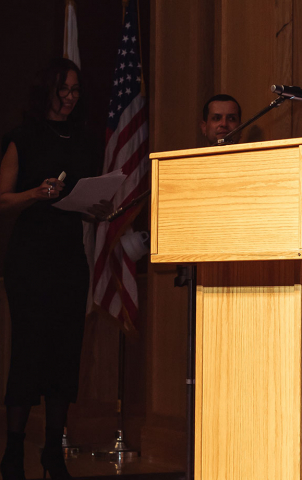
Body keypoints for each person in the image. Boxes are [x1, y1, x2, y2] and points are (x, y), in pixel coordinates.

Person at [0, 58, 111, 480]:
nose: (69, 98)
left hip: (68, 257)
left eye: (75, 91)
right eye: (62, 90)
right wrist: (35, 192)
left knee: (65, 352)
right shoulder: (22, 137)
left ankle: (52, 450)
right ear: (46, 90)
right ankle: (12, 452)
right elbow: (3, 199)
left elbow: (81, 200)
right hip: (29, 258)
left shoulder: (84, 142)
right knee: (29, 350)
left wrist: (97, 208)